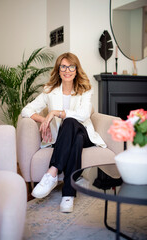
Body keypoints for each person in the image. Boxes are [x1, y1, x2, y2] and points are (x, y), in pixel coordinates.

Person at [21, 52, 106, 213]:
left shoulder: (86, 89)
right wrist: (44, 120)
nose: (67, 70)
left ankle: (52, 172)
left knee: (71, 122)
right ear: (58, 70)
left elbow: (83, 115)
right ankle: (68, 194)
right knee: (77, 140)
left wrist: (54, 113)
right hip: (66, 137)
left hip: (86, 132)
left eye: (71, 66)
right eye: (63, 66)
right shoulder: (49, 90)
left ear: (76, 69)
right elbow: (27, 110)